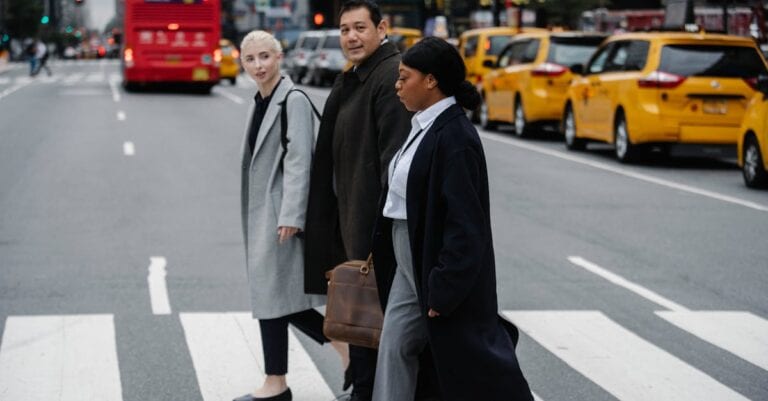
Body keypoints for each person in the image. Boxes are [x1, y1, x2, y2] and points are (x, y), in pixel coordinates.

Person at [370, 37, 535, 401]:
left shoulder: (455, 136)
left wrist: (446, 285)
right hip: (407, 253)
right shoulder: (423, 126)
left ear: (431, 81)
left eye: (404, 77)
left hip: (432, 259)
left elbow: (466, 224)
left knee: (472, 356)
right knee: (396, 344)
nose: (398, 85)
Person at [303, 1, 413, 400]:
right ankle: (361, 387)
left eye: (360, 28)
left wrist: (378, 231)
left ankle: (367, 391)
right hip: (352, 219)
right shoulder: (356, 76)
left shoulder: (389, 76)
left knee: (373, 320)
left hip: (374, 228)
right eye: (345, 29)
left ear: (381, 28)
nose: (351, 37)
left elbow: (393, 161)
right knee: (361, 318)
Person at [235, 30, 347, 401]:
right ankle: (283, 379)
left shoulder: (292, 99)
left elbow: (301, 159)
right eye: (250, 59)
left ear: (280, 57)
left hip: (281, 215)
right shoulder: (260, 100)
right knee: (277, 297)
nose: (258, 65)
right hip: (264, 211)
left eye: (265, 56)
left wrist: (292, 215)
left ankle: (343, 358)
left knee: (276, 296)